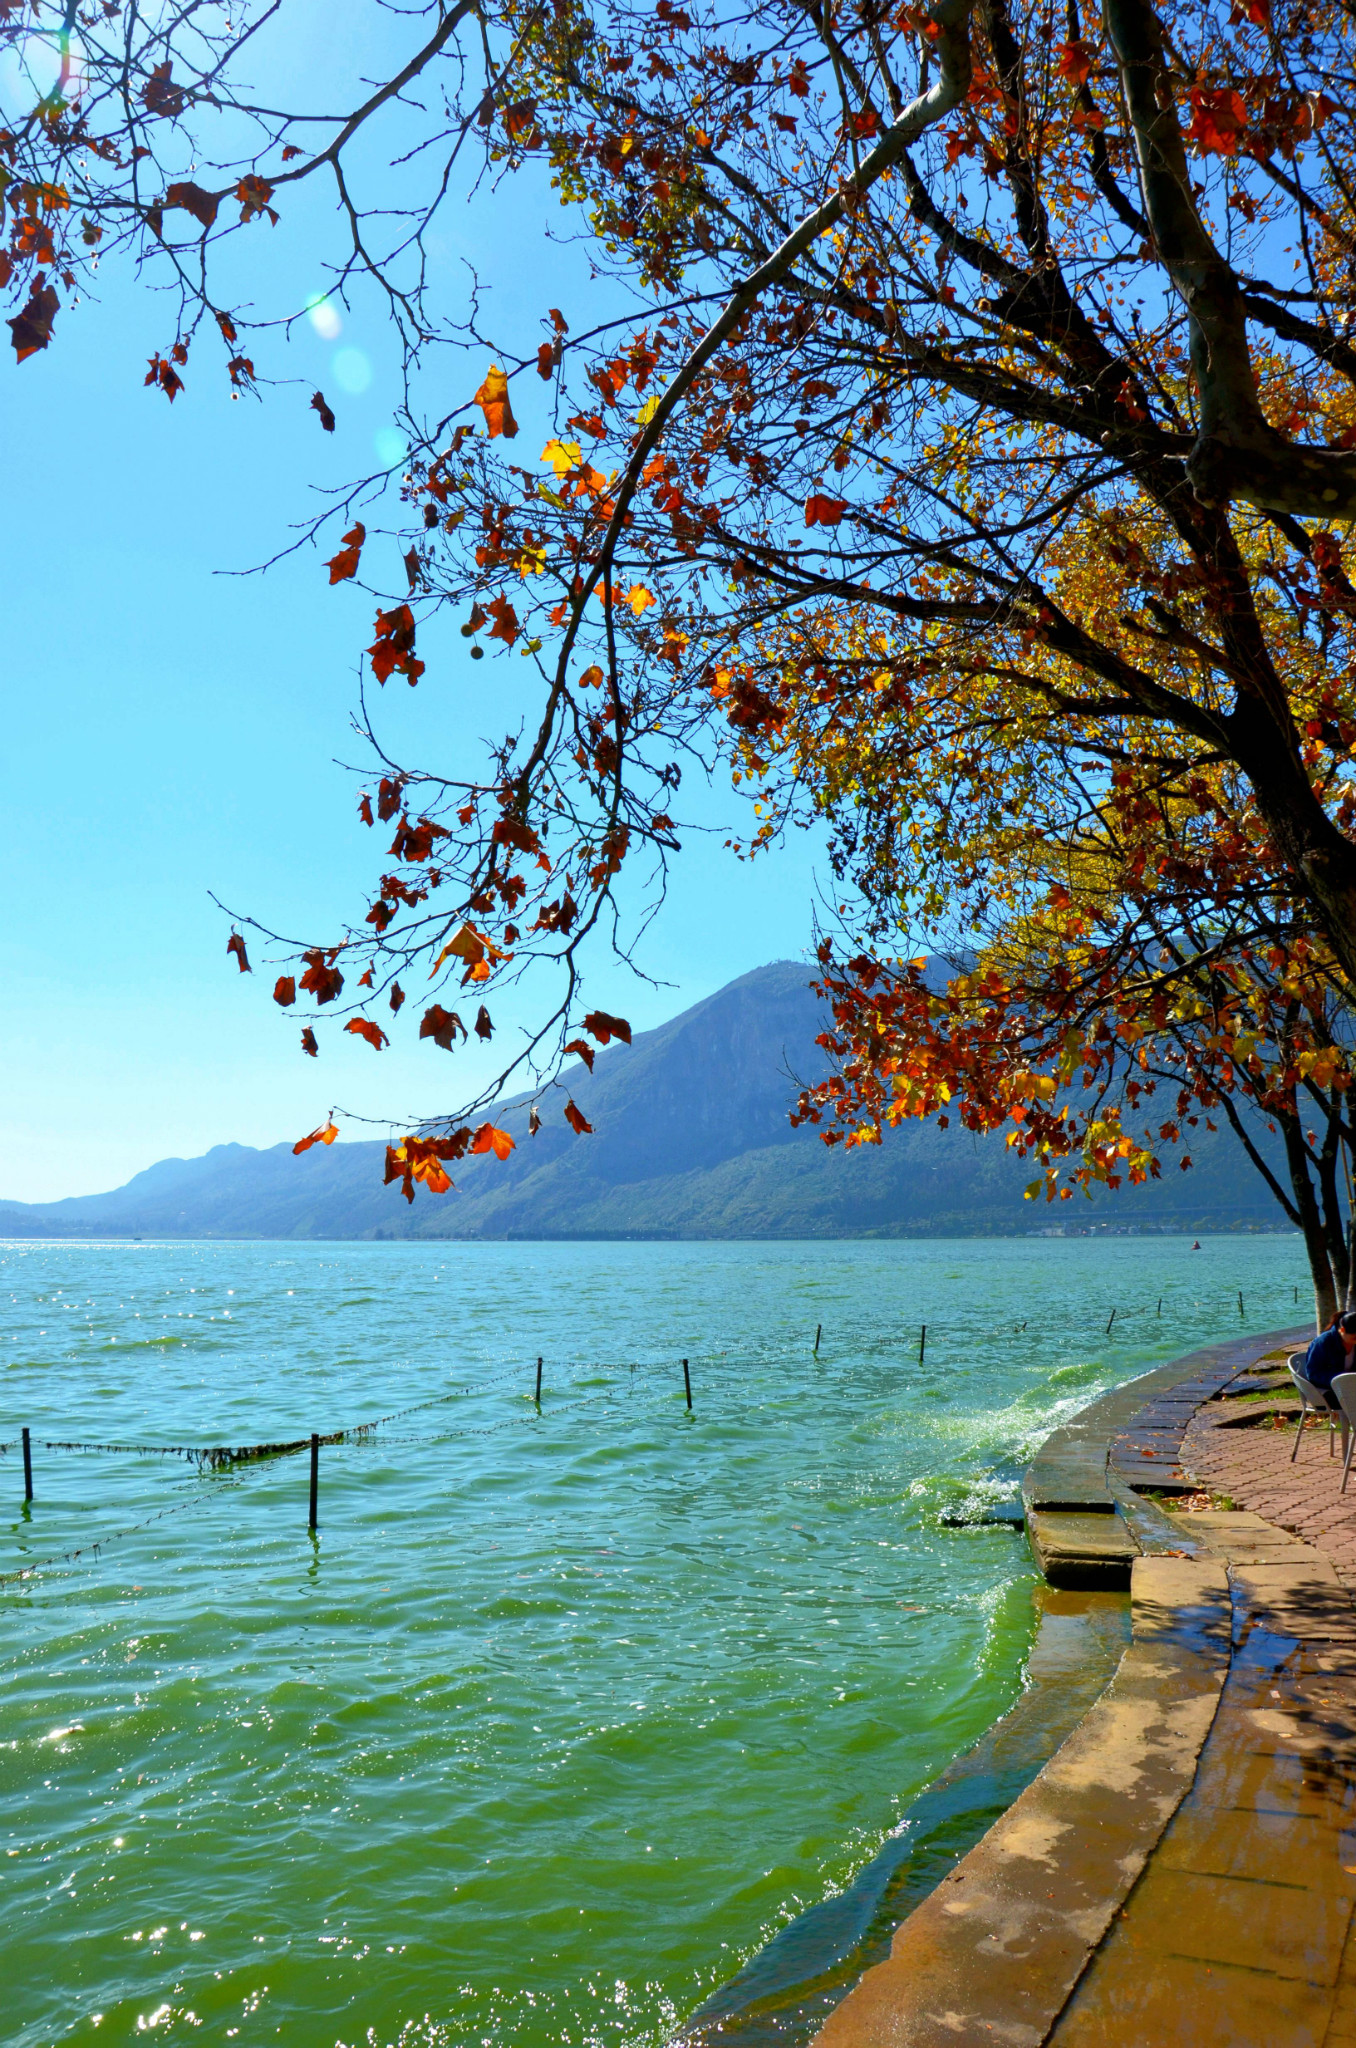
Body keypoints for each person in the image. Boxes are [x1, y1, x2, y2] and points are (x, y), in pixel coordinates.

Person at [1302, 1312, 1356, 1408]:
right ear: (1342, 1330)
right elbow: (1313, 1374)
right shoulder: (1324, 1342)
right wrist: (1342, 1381)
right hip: (1325, 1390)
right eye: (1354, 1338)